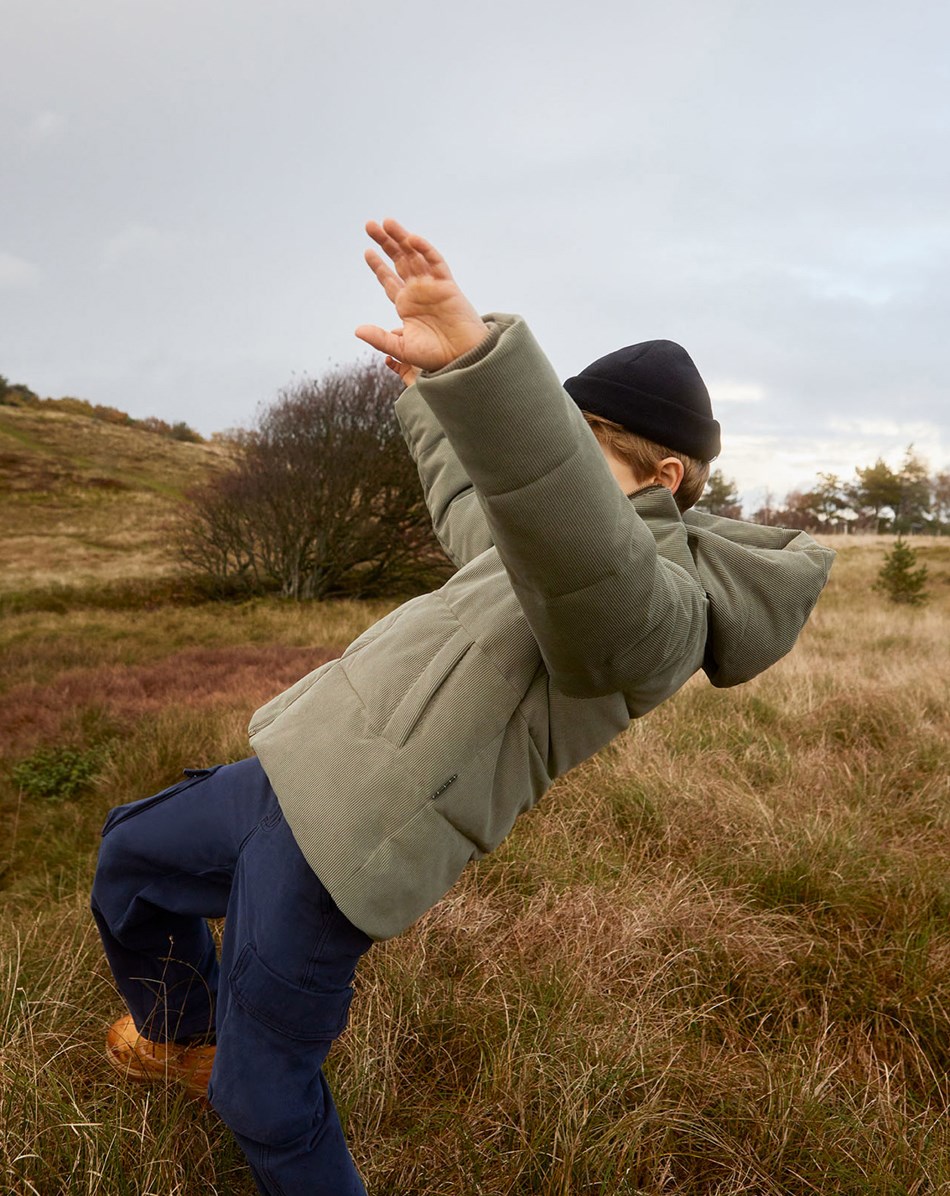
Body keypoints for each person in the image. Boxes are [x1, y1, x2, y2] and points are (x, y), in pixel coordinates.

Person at [91, 219, 835, 1195]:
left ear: (661, 479)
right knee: (130, 861)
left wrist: (485, 369)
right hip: (284, 767)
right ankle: (185, 1034)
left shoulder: (653, 613)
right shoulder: (535, 546)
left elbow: (570, 533)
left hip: (341, 844)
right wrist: (433, 396)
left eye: (577, 450)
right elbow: (478, 503)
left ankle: (233, 1078)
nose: (546, 475)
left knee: (265, 1097)